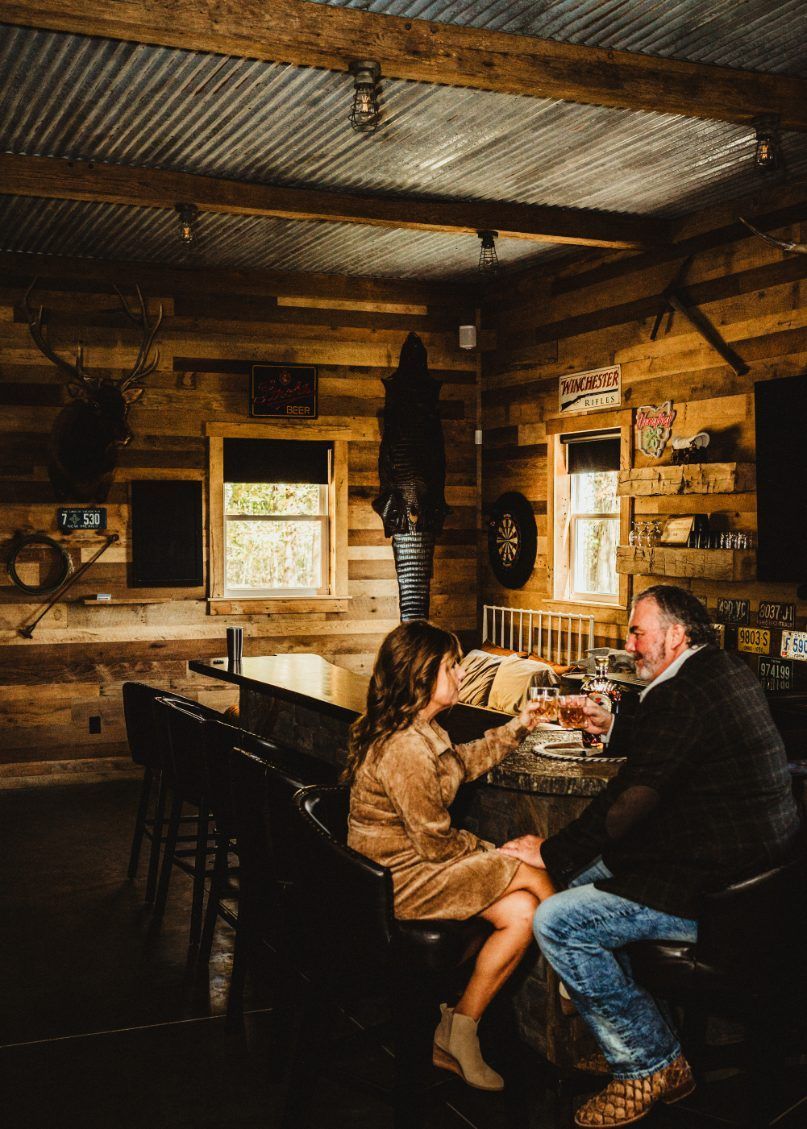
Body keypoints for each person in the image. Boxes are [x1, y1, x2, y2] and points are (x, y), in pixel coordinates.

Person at [500, 584, 801, 1128]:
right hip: (765, 877)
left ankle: (647, 1062)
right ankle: (632, 1033)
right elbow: (676, 739)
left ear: (675, 634)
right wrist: (612, 726)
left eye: (638, 632)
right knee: (577, 881)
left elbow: (626, 806)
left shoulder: (679, 694)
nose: (630, 644)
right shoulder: (722, 671)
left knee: (557, 920)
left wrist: (550, 849)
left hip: (719, 894)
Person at [346, 619, 555, 1092]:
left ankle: (460, 1028)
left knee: (523, 911)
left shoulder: (421, 730)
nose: (461, 673)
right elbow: (436, 845)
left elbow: (463, 762)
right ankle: (571, 978)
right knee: (526, 867)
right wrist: (487, 850)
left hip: (410, 872)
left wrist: (520, 726)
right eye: (451, 666)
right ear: (422, 676)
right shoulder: (404, 748)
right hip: (400, 883)